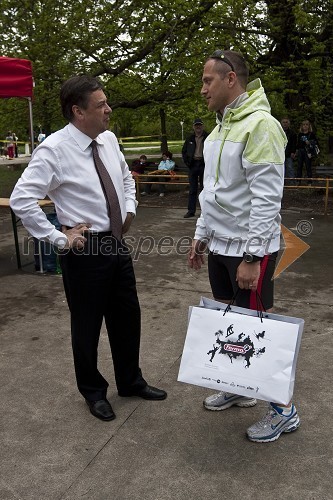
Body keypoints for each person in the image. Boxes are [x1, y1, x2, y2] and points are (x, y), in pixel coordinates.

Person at [10, 75, 167, 422]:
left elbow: (125, 178)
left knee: (128, 316)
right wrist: (57, 238)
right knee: (87, 324)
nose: (109, 110)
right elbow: (22, 199)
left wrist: (129, 209)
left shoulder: (108, 140)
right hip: (84, 249)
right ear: (78, 112)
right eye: (101, 105)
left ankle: (130, 381)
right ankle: (94, 392)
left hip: (116, 242)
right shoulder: (53, 149)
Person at [188, 49, 300, 443]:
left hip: (250, 250)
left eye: (207, 80)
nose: (202, 88)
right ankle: (239, 387)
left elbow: (267, 200)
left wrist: (252, 256)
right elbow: (211, 191)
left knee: (257, 330)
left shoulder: (261, 126)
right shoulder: (220, 128)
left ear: (230, 78)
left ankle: (284, 410)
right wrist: (202, 236)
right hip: (220, 246)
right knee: (230, 325)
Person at [182, 118, 209, 218]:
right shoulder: (190, 139)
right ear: (193, 127)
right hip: (193, 165)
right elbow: (184, 151)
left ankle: (204, 211)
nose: (198, 127)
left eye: (200, 125)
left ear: (203, 126)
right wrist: (188, 162)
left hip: (203, 165)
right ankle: (191, 211)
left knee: (204, 189)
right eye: (196, 125)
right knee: (192, 189)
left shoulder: (208, 137)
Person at [296, 120, 318, 185]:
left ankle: (309, 181)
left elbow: (315, 143)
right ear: (302, 126)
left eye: (306, 124)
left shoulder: (311, 134)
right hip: (300, 151)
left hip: (308, 152)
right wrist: (296, 151)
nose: (305, 126)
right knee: (299, 166)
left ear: (309, 126)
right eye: (304, 125)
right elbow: (298, 144)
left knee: (308, 166)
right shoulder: (300, 134)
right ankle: (298, 181)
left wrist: (309, 142)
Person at [280, 118, 297, 185]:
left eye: (286, 122)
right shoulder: (278, 132)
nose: (285, 124)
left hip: (289, 153)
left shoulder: (292, 133)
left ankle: (292, 183)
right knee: (281, 168)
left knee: (290, 168)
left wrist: (293, 152)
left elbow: (294, 143)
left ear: (289, 123)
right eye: (283, 122)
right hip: (280, 153)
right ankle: (281, 183)